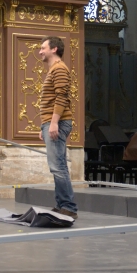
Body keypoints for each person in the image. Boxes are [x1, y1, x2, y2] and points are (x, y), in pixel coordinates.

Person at [37, 35, 78, 219]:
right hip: (52, 122)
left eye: (43, 48)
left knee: (57, 166)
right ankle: (62, 205)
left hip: (58, 122)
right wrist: (44, 126)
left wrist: (53, 123)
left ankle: (68, 207)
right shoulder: (54, 69)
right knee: (58, 166)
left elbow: (61, 97)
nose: (40, 51)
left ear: (54, 49)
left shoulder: (59, 68)